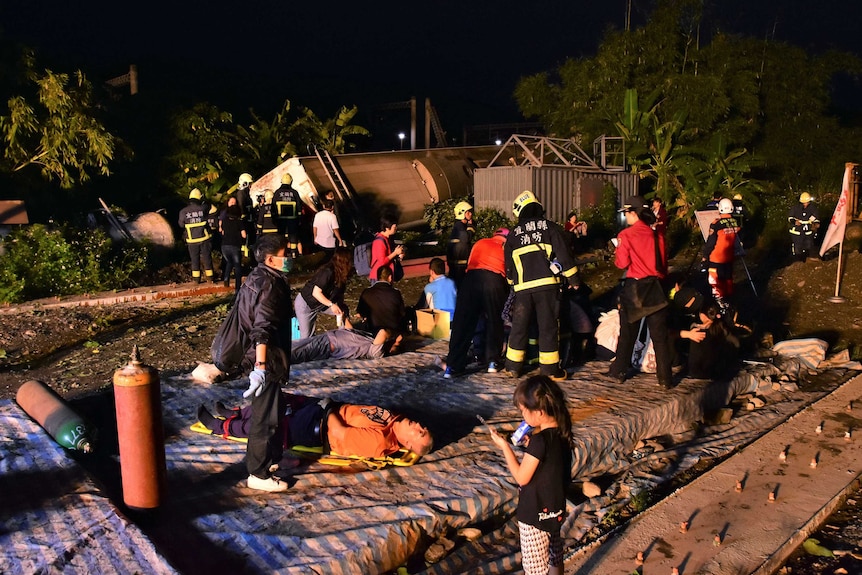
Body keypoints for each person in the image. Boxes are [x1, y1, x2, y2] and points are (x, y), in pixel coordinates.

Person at [487, 375, 572, 575]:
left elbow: (521, 477)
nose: (522, 415)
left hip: (534, 514)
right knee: (555, 557)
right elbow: (550, 462)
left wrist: (505, 447)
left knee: (535, 568)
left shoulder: (539, 441)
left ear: (540, 413)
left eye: (524, 410)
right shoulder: (562, 433)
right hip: (555, 510)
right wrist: (529, 446)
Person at [230, 233, 295, 492]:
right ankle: (257, 473)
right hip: (264, 357)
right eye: (285, 254)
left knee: (275, 409)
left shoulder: (258, 277)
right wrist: (260, 367)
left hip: (267, 356)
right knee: (264, 416)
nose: (289, 257)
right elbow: (262, 327)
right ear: (271, 259)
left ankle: (271, 459)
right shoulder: (269, 284)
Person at [196, 391, 433, 459]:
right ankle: (236, 413)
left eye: (419, 433)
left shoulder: (380, 440)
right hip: (326, 409)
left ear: (408, 443)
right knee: (279, 397)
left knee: (271, 424)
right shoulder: (394, 419)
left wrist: (326, 408)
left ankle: (220, 426)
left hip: (318, 427)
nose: (420, 425)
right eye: (424, 428)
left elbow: (340, 434)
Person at [504, 191, 581, 381]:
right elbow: (564, 256)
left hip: (522, 290)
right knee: (548, 327)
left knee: (519, 327)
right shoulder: (550, 228)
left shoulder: (513, 234)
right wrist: (574, 280)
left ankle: (513, 367)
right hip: (547, 287)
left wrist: (512, 283)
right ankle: (549, 370)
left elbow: (509, 267)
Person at [606, 195, 674, 389]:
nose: (626, 216)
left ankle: (618, 371)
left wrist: (618, 249)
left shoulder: (626, 235)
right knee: (659, 336)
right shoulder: (657, 235)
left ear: (633, 213)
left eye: (627, 212)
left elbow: (622, 263)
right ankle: (665, 379)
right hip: (655, 287)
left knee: (628, 333)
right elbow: (662, 264)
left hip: (635, 288)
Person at [443, 227, 509, 377]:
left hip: (471, 280)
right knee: (494, 321)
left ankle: (453, 366)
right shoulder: (506, 247)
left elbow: (470, 263)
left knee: (463, 323)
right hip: (494, 280)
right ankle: (493, 361)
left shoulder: (480, 243)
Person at [294, 247, 353, 339]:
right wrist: (331, 305)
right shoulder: (327, 272)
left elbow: (339, 293)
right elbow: (316, 293)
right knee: (306, 336)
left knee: (342, 311)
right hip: (307, 304)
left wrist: (340, 309)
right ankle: (304, 351)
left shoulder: (342, 274)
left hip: (323, 303)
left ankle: (347, 337)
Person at [702, 198, 740, 314]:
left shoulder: (716, 224)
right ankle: (730, 303)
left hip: (716, 258)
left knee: (716, 283)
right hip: (729, 258)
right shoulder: (735, 222)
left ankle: (720, 307)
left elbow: (711, 243)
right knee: (728, 280)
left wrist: (705, 256)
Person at [291, 328, 400, 364]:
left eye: (395, 344)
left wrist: (395, 338)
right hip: (329, 338)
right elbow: (351, 332)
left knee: (297, 354)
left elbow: (383, 332)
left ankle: (276, 361)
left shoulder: (376, 352)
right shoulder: (371, 339)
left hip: (330, 345)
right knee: (295, 345)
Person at [178, 188, 216, 283]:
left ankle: (196, 279)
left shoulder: (183, 211)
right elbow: (212, 209)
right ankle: (210, 278)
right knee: (207, 258)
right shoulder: (203, 208)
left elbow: (181, 225)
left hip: (192, 240)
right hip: (204, 238)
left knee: (194, 259)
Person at [356, 266, 406, 334]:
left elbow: (360, 312)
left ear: (377, 277)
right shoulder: (395, 293)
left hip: (373, 331)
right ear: (390, 277)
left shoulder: (366, 292)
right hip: (392, 331)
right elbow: (402, 313)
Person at [273, 173, 304, 259]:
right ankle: (294, 254)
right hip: (293, 220)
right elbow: (299, 207)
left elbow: (273, 207)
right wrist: (299, 219)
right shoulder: (294, 193)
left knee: (281, 238)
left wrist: (274, 219)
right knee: (293, 237)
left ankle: (282, 254)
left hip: (280, 220)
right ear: (291, 182)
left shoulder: (277, 193)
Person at [219, 196, 247, 290]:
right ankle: (237, 286)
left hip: (224, 246)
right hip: (235, 246)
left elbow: (222, 232)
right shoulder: (239, 222)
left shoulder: (224, 221)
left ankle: (226, 277)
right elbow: (244, 235)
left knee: (229, 262)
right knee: (237, 266)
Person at [369, 214, 405, 285]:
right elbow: (382, 261)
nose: (396, 228)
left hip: (386, 275)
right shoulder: (379, 242)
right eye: (394, 227)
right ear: (387, 228)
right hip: (379, 276)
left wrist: (399, 255)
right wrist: (395, 253)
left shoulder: (388, 239)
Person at [447, 201, 475, 287]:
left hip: (458, 268)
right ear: (462, 213)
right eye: (468, 212)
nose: (471, 214)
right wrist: (471, 227)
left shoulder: (458, 227)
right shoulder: (460, 227)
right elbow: (466, 238)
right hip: (459, 269)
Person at [788, 192, 820, 262]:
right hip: (797, 232)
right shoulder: (795, 208)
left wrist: (816, 223)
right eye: (804, 203)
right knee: (798, 247)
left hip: (808, 231)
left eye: (807, 202)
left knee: (809, 245)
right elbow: (790, 218)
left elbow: (815, 217)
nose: (806, 204)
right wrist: (795, 222)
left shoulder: (812, 208)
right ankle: (797, 261)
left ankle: (809, 259)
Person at [312, 198, 344, 264]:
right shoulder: (332, 216)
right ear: (332, 207)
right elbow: (335, 230)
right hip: (329, 243)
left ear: (323, 206)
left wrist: (315, 237)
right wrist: (340, 240)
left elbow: (315, 227)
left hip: (319, 241)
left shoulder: (317, 215)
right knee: (331, 257)